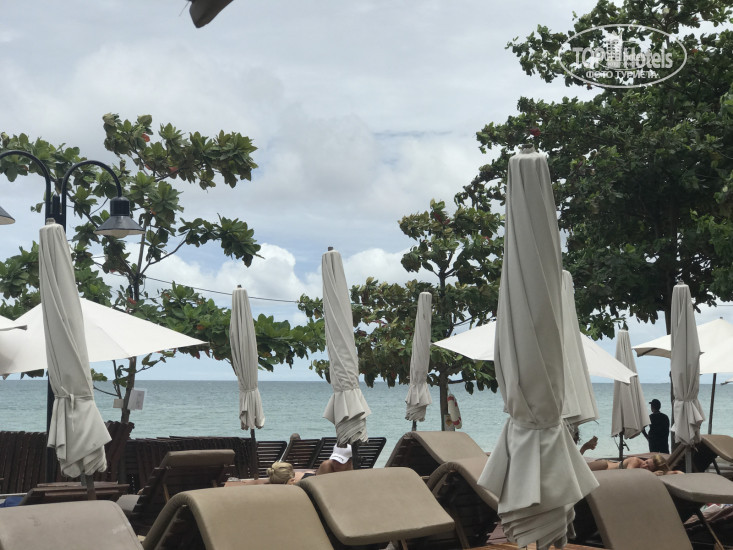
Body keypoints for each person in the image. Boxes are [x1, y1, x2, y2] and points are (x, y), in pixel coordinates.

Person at [588, 454, 682, 475]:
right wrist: (652, 475)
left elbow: (668, 472)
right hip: (604, 465)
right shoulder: (635, 461)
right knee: (582, 471)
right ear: (647, 459)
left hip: (606, 472)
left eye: (648, 467)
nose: (644, 466)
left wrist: (676, 472)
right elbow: (629, 476)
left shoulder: (644, 471)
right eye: (646, 462)